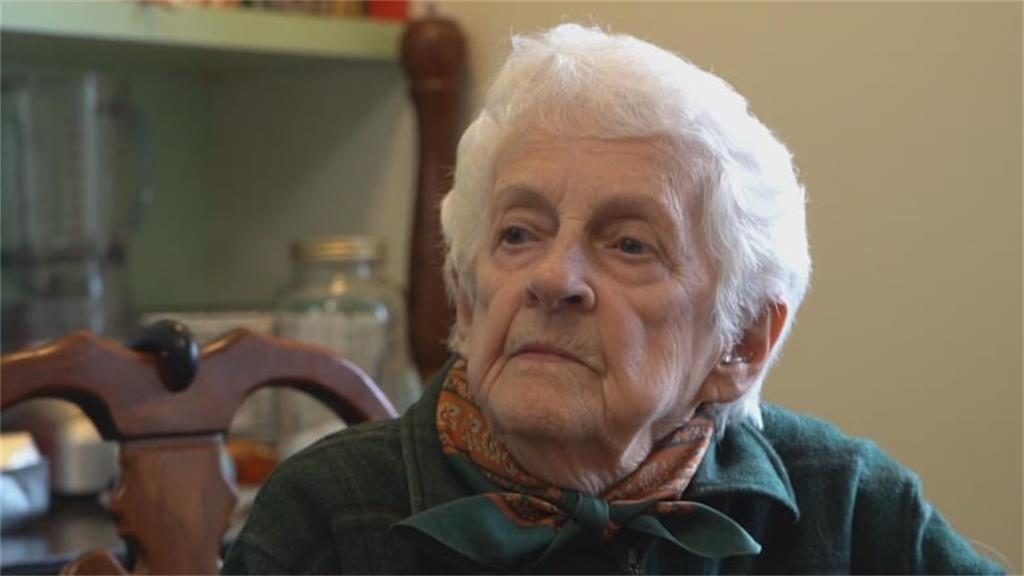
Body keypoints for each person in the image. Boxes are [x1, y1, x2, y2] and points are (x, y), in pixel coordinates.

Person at [222, 24, 1003, 574]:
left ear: (743, 342)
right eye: (518, 234)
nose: (552, 279)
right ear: (466, 299)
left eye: (629, 244)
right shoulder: (330, 516)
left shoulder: (849, 506)